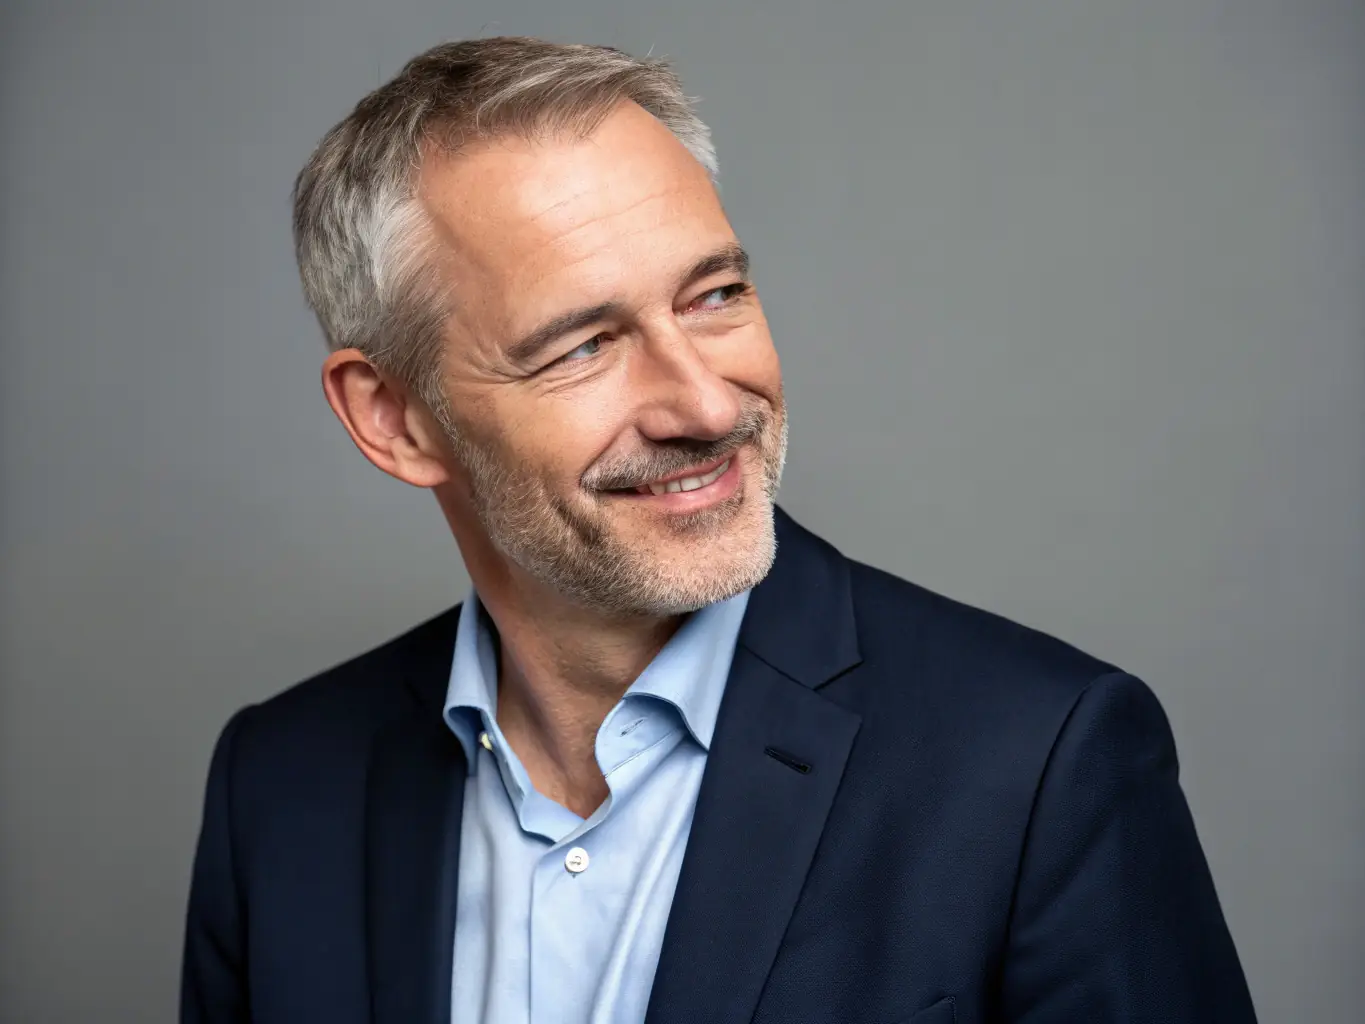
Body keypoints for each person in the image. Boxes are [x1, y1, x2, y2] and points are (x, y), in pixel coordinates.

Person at [180, 35, 1257, 1024]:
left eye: (715, 294)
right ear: (395, 418)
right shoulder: (277, 787)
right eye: (583, 345)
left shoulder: (1037, 763)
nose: (704, 405)